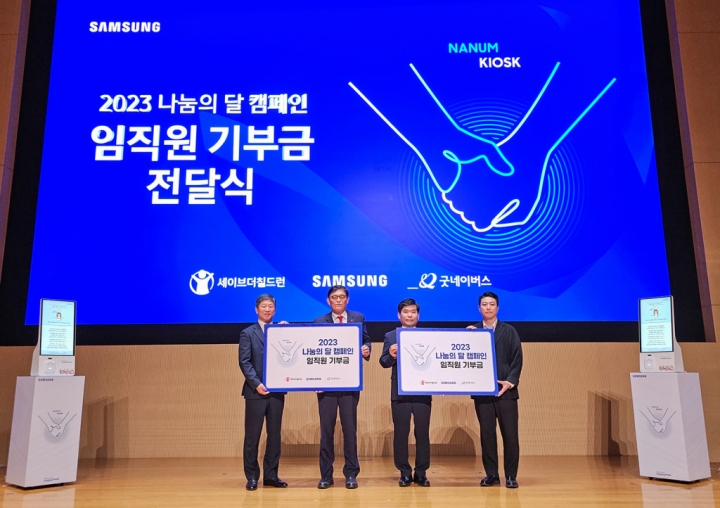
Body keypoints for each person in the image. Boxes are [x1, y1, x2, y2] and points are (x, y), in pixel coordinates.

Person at [313, 285, 372, 489]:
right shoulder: (319, 322)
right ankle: (326, 476)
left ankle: (351, 474)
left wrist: (366, 349)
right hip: (326, 385)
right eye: (334, 297)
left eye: (341, 297)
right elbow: (314, 350)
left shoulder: (358, 318)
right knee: (326, 431)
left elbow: (366, 341)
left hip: (349, 383)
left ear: (347, 300)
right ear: (328, 301)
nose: (338, 300)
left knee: (349, 429)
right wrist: (314, 379)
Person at [467, 291, 523, 489]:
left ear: (497, 308)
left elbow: (517, 359)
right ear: (479, 308)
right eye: (484, 304)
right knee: (487, 435)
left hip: (506, 392)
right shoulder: (472, 332)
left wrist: (510, 382)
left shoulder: (509, 331)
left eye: (492, 304)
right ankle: (491, 474)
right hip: (483, 393)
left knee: (510, 435)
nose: (488, 307)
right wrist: (466, 338)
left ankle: (511, 476)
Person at [238, 294, 288, 491]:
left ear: (275, 310)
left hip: (277, 392)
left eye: (270, 306)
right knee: (252, 436)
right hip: (255, 392)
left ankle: (271, 476)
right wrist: (256, 383)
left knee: (274, 436)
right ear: (256, 310)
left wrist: (289, 332)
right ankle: (252, 477)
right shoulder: (247, 333)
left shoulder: (281, 331)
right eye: (264, 306)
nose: (267, 309)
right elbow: (245, 362)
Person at [380, 298, 431, 487]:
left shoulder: (427, 336)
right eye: (406, 312)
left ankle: (421, 473)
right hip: (399, 392)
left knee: (422, 432)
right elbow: (383, 362)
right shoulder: (391, 336)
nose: (410, 315)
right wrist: (391, 355)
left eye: (413, 312)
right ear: (399, 315)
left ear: (418, 315)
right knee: (401, 433)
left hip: (423, 390)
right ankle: (404, 472)